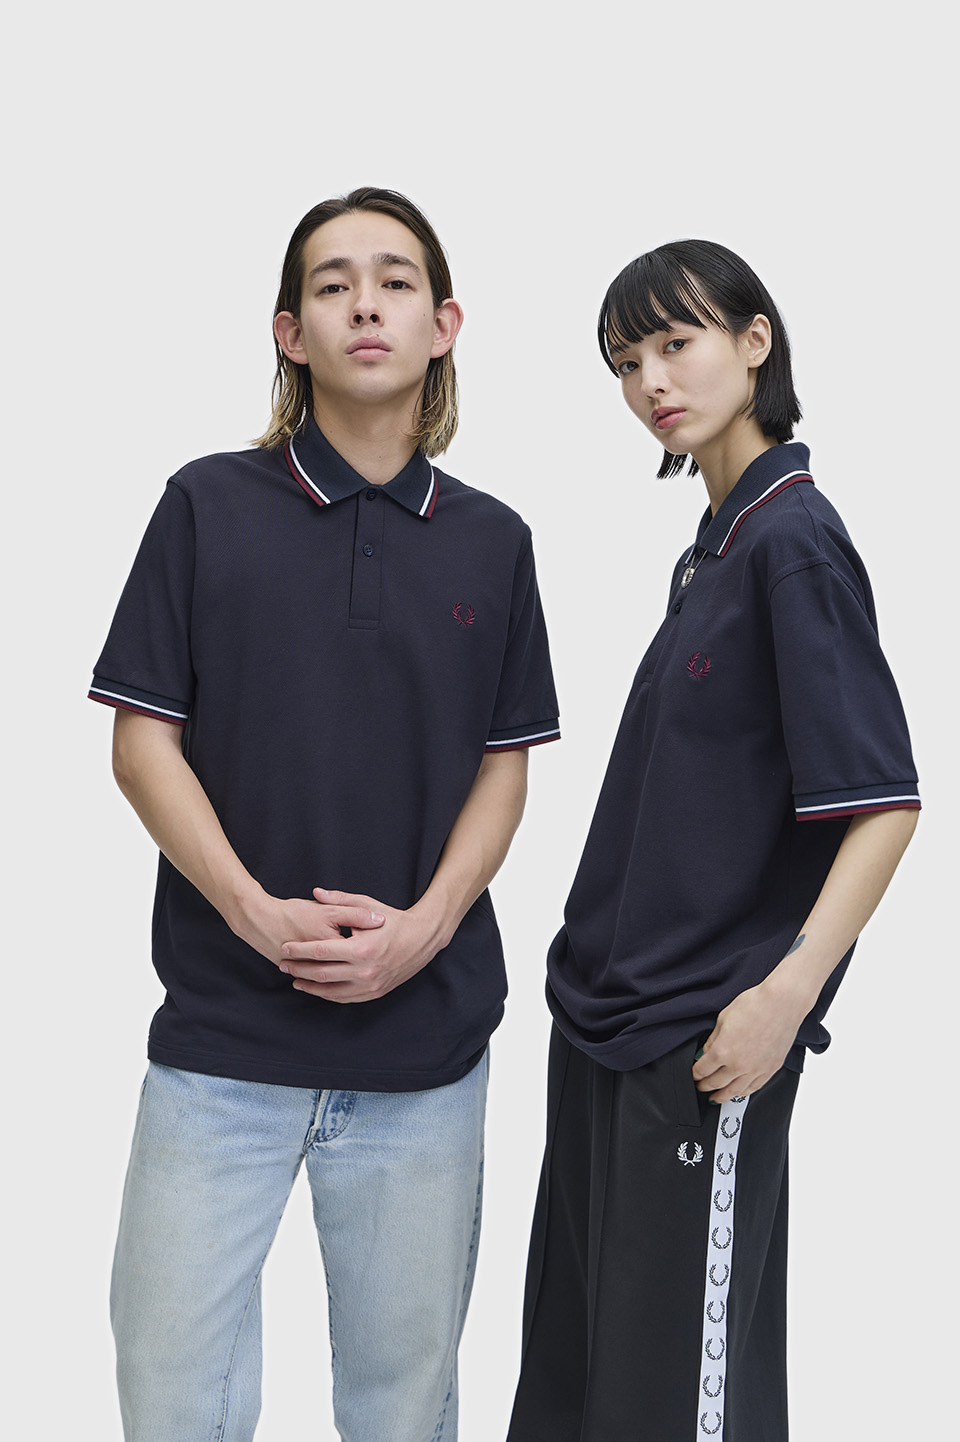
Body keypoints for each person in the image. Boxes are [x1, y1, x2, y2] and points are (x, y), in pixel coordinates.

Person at [88, 186, 559, 1442]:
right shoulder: (204, 504)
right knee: (171, 1392)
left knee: (403, 1408)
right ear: (290, 332)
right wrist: (254, 915)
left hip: (423, 1050)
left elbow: (505, 765)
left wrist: (425, 927)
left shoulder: (496, 540)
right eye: (333, 282)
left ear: (444, 324)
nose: (366, 303)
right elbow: (142, 743)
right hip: (221, 1042)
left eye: (396, 280)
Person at [506, 240, 919, 1442]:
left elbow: (883, 803)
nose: (649, 380)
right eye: (624, 361)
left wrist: (786, 995)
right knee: (579, 1388)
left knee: (671, 1405)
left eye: (674, 342)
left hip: (699, 1042)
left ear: (754, 340)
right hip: (606, 1025)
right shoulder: (715, 548)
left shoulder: (794, 541)